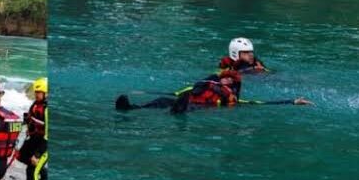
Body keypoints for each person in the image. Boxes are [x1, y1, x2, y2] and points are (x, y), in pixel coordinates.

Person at [116, 70, 312, 113]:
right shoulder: (208, 82)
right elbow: (182, 91)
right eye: (225, 77)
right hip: (185, 99)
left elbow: (260, 103)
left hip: (196, 108)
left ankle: (178, 110)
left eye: (230, 79)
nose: (226, 79)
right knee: (161, 100)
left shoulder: (233, 98)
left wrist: (292, 101)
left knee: (187, 107)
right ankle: (131, 107)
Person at [11, 77, 48, 180]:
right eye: (36, 92)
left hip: (44, 144)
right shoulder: (36, 104)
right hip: (34, 138)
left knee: (31, 170)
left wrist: (37, 155)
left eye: (39, 92)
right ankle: (44, 173)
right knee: (21, 157)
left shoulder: (48, 109)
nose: (36, 94)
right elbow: (31, 119)